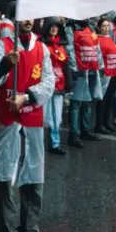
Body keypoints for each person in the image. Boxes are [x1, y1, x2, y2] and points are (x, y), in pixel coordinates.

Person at [0, 18, 55, 232]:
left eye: (31, 17)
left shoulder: (41, 48)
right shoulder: (2, 45)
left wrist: (26, 97)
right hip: (8, 120)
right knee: (7, 177)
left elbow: (49, 82)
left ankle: (29, 230)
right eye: (23, 16)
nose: (27, 20)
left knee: (33, 174)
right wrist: (6, 64)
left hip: (32, 118)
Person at [65, 18, 101, 148]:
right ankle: (74, 134)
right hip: (80, 70)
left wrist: (100, 65)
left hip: (91, 70)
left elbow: (96, 47)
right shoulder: (70, 28)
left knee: (88, 101)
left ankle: (85, 130)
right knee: (76, 103)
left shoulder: (90, 28)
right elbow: (69, 49)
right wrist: (74, 68)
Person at [95, 16, 116, 133]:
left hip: (114, 73)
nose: (106, 28)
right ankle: (99, 124)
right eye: (104, 26)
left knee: (110, 99)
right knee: (102, 99)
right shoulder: (97, 39)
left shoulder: (110, 38)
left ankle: (106, 122)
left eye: (108, 26)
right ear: (99, 27)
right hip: (105, 74)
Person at [42, 17, 69, 155]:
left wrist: (69, 83)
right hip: (44, 85)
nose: (54, 29)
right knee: (44, 116)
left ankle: (55, 143)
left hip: (59, 85)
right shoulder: (41, 45)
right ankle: (39, 143)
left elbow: (66, 66)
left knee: (57, 117)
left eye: (56, 26)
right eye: (51, 26)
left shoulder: (62, 46)